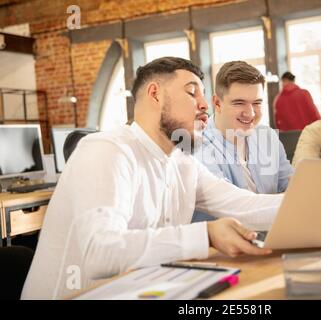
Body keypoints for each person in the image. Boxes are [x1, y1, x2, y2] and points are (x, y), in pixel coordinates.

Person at [21, 57, 282, 300]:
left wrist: (314, 204)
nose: (204, 105)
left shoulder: (182, 162)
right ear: (155, 94)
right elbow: (100, 252)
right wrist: (206, 235)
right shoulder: (106, 150)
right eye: (192, 93)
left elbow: (245, 205)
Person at [193, 61, 293, 222]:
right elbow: (232, 206)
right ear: (217, 103)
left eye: (257, 103)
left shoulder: (268, 137)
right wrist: (295, 203)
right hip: (220, 244)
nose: (250, 113)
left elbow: (291, 185)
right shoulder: (196, 146)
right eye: (239, 103)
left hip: (274, 232)